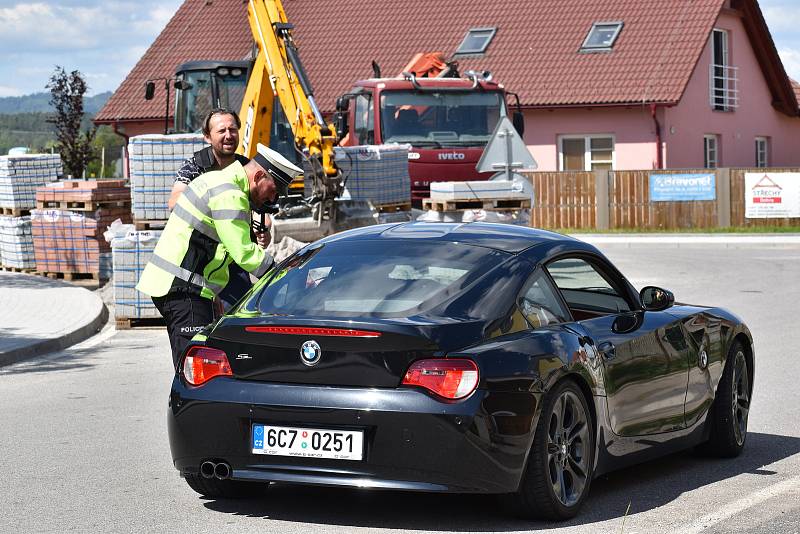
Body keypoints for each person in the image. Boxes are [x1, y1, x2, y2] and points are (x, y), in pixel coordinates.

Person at [137, 143, 303, 367]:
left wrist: (212, 294)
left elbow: (216, 250)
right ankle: (185, 403)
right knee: (194, 368)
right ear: (259, 176)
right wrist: (285, 275)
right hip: (183, 289)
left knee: (197, 364)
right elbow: (243, 252)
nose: (272, 199)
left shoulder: (222, 182)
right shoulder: (229, 193)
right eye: (273, 190)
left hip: (184, 287)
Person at [168, 108, 254, 310]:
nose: (228, 136)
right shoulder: (195, 166)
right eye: (221, 130)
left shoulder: (246, 166)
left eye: (233, 130)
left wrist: (264, 226)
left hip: (235, 259)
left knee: (238, 316)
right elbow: (174, 201)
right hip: (202, 261)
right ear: (207, 137)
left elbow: (258, 203)